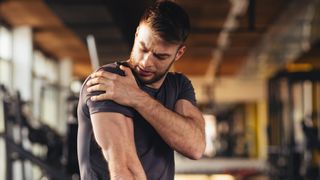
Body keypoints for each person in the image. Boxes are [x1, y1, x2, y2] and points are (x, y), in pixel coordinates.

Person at [77, 1, 206, 179]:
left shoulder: (178, 85)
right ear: (137, 34)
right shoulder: (110, 80)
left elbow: (195, 146)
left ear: (179, 53)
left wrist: (138, 98)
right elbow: (124, 169)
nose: (146, 62)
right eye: (143, 48)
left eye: (160, 56)